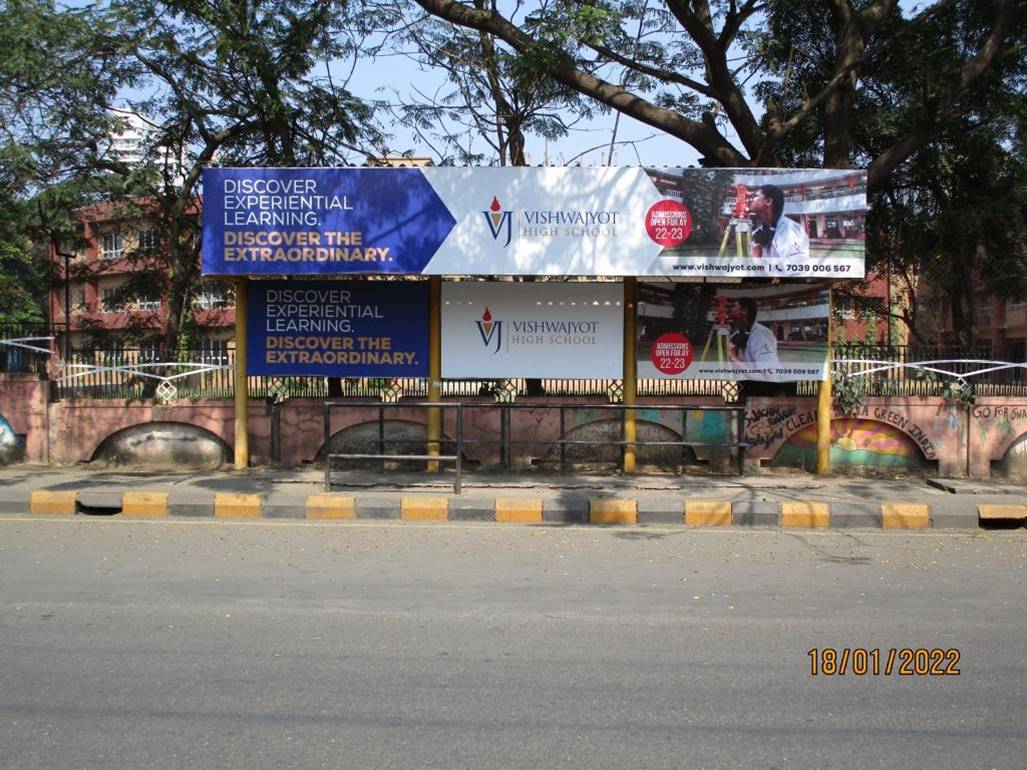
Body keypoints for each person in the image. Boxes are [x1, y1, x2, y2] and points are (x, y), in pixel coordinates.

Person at [749, 184, 810, 260]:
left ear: (768, 201)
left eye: (756, 196)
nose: (750, 199)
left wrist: (756, 258)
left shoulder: (789, 230)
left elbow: (794, 268)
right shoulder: (758, 232)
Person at [728, 297, 778, 366]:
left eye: (734, 306)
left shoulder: (760, 334)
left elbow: (768, 375)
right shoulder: (737, 334)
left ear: (744, 310)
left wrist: (734, 360)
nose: (731, 309)